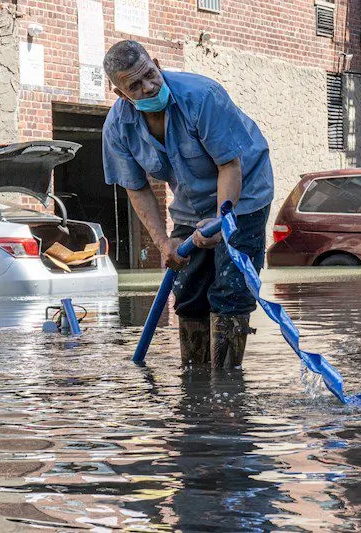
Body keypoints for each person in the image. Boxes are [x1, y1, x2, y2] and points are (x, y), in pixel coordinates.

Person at [102, 40, 274, 369]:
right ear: (120, 94)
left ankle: (226, 381)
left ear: (156, 62)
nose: (149, 87)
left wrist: (223, 223)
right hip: (191, 201)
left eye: (150, 75)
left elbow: (230, 166)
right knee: (189, 290)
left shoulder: (203, 96)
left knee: (230, 288)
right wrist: (163, 242)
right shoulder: (118, 127)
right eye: (135, 86)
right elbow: (136, 188)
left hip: (244, 191)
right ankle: (194, 382)